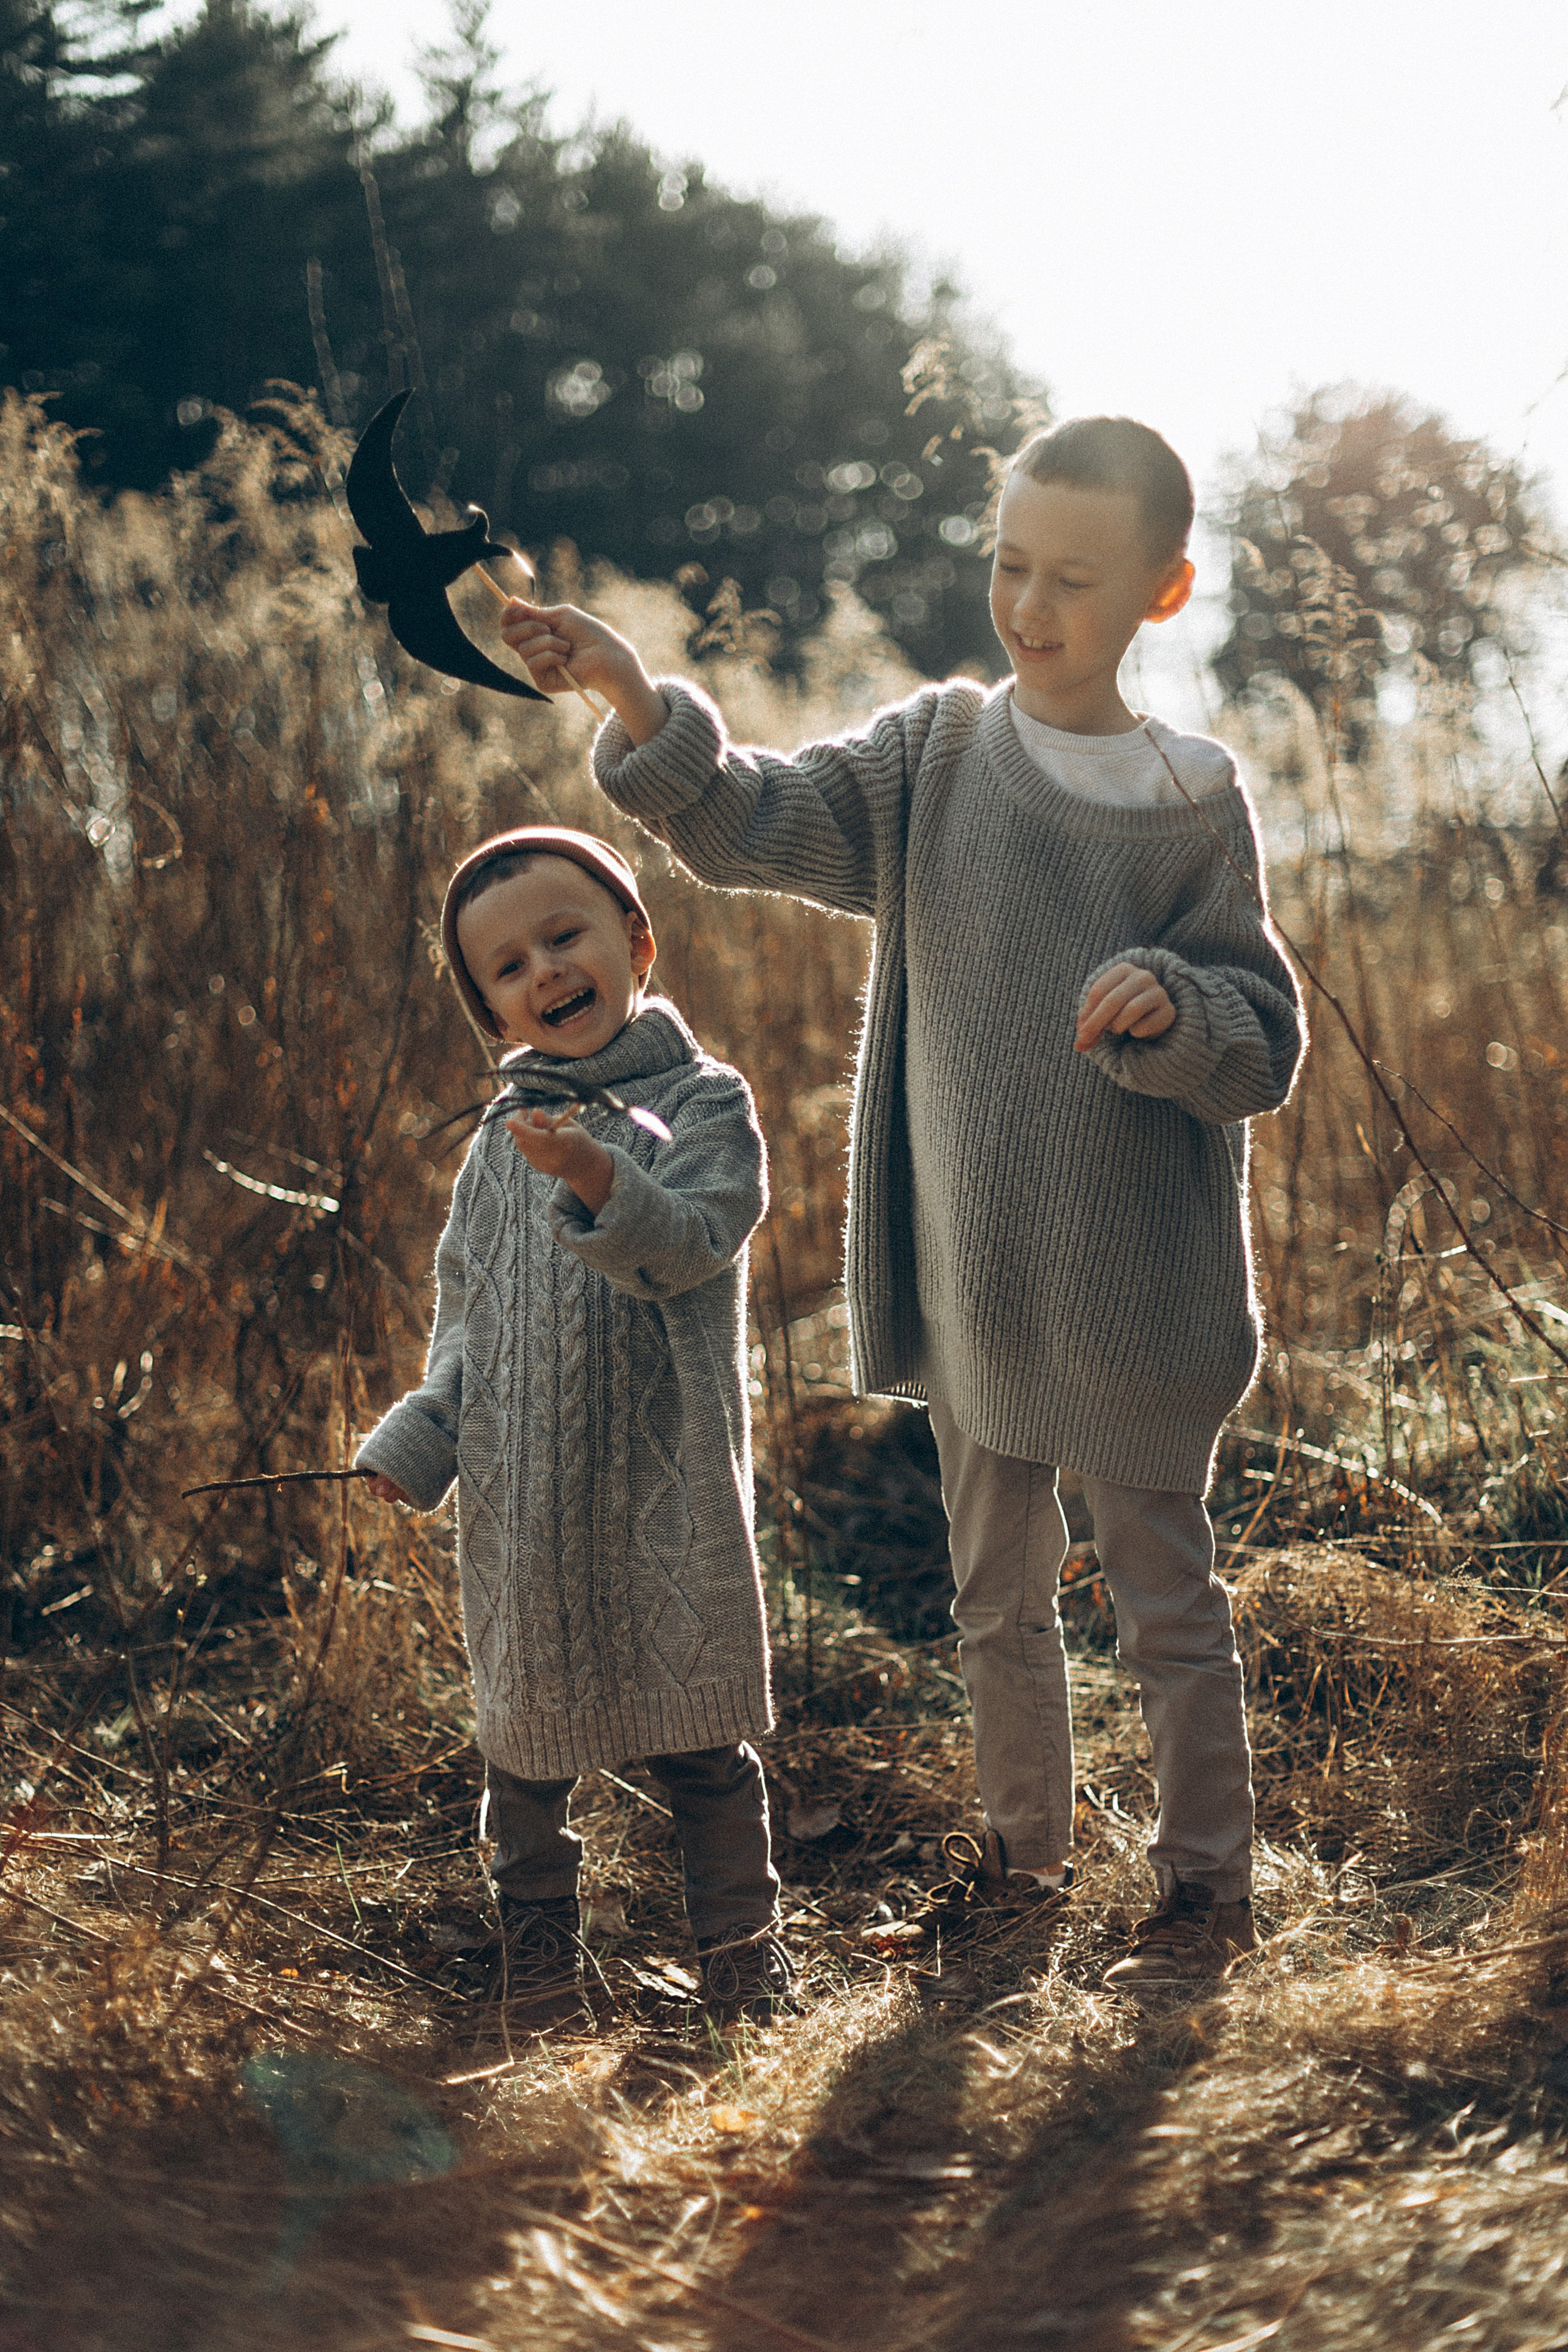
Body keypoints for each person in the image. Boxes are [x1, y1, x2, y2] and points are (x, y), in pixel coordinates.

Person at [499, 417, 1308, 1996]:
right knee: (992, 1602)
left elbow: (1258, 1042)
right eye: (1008, 562)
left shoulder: (1190, 796)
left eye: (1073, 578)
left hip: (1135, 1289)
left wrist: (1173, 1006)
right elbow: (746, 817)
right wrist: (626, 690)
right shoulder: (935, 756)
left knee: (1162, 1604)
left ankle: (1205, 1895)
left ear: (1163, 590)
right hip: (973, 1277)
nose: (1028, 603)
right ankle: (1023, 1874)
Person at [356, 825, 793, 2021]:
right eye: (508, 967)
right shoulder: (499, 1149)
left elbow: (696, 1236)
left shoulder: (699, 1102)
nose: (544, 971)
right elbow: (469, 1313)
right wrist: (422, 1436)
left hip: (666, 1498)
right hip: (524, 1507)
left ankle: (743, 1967)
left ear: (634, 945)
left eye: (565, 937)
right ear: (494, 1015)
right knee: (522, 1754)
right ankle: (540, 1965)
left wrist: (602, 1178)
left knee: (702, 1746)